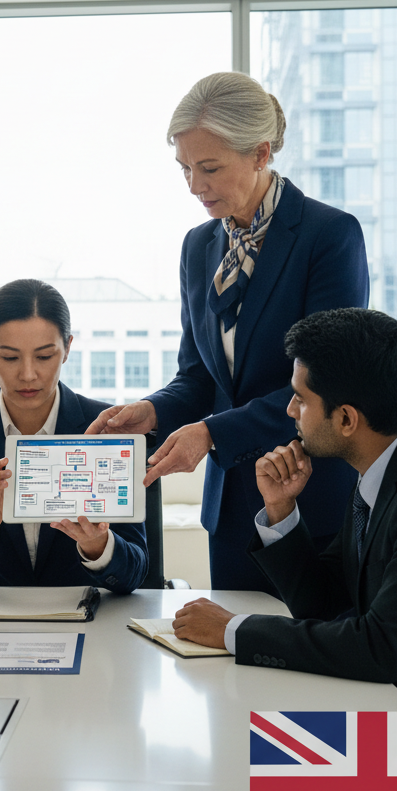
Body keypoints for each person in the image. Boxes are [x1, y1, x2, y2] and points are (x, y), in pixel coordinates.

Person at [171, 308, 397, 771]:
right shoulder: (384, 471)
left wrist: (233, 630)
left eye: (300, 398)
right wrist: (281, 510)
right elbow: (325, 603)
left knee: (244, 764)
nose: (290, 410)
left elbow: (379, 649)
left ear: (347, 418)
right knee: (241, 745)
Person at [86, 72, 369, 591]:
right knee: (228, 640)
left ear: (261, 153)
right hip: (231, 509)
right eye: (185, 168)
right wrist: (152, 411)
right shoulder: (198, 247)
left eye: (209, 168)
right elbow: (198, 378)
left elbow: (327, 384)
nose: (195, 186)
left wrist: (213, 434)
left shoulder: (329, 236)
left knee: (315, 636)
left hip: (312, 501)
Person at [0, 279, 148, 592]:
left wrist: (98, 545)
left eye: (44, 356)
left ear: (67, 348)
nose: (28, 374)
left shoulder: (109, 429)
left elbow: (137, 574)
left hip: (90, 617)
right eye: (10, 357)